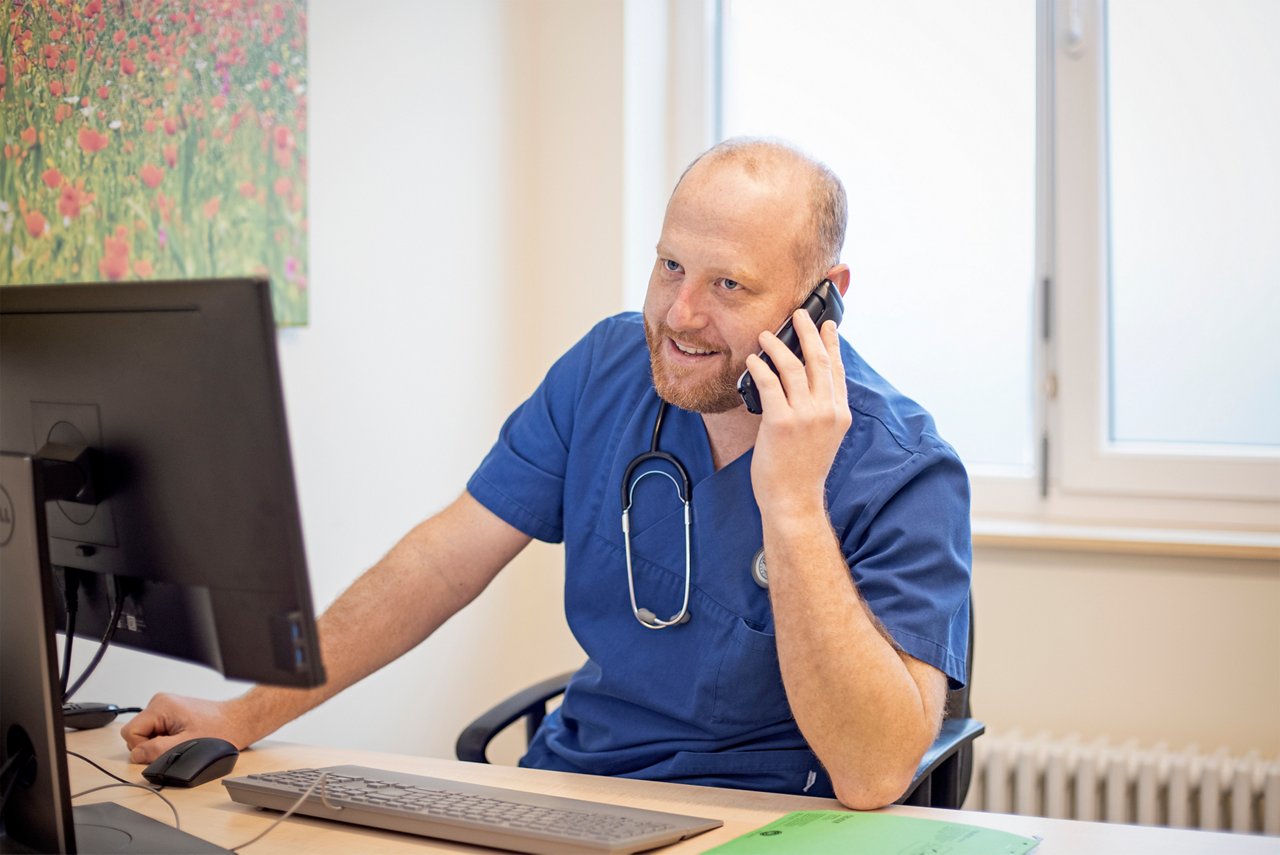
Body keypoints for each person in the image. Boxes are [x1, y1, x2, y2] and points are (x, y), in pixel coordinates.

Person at [122, 138, 971, 810]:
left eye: (729, 285)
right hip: (573, 794)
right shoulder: (607, 369)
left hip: (760, 817)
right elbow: (440, 563)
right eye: (670, 266)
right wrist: (242, 714)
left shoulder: (902, 468)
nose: (679, 315)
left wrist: (791, 504)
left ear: (823, 297)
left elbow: (873, 772)